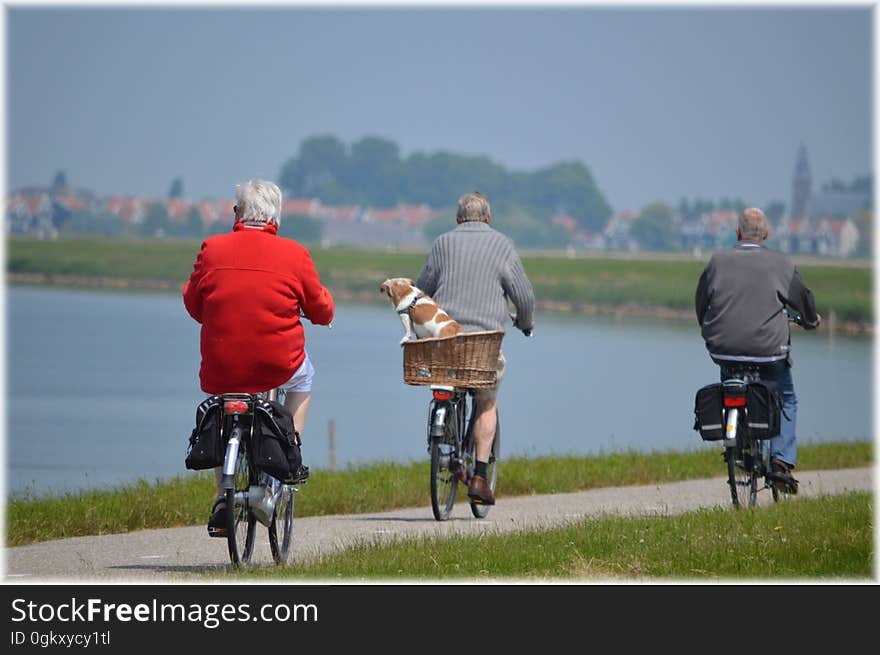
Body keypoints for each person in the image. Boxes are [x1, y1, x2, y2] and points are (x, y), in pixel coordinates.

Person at [183, 179, 334, 533]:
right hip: (277, 363)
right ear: (275, 218)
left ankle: (225, 495)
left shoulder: (212, 248)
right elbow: (321, 307)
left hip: (222, 365)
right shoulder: (295, 254)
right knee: (305, 378)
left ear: (238, 213)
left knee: (225, 407)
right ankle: (290, 453)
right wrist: (323, 313)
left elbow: (193, 302)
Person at [416, 190, 535, 505]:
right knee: (486, 402)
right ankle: (480, 475)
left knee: (447, 383)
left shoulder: (442, 243)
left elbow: (420, 292)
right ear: (488, 218)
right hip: (484, 345)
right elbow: (524, 297)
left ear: (457, 220)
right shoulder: (503, 245)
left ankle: (444, 439)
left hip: (444, 343)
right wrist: (524, 322)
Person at [695, 207, 820, 491]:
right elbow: (804, 299)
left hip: (724, 347)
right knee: (786, 398)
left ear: (737, 232)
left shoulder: (717, 261)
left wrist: (708, 327)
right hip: (769, 349)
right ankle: (781, 462)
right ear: (766, 234)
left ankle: (739, 447)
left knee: (731, 387)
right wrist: (811, 321)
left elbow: (701, 301)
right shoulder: (781, 263)